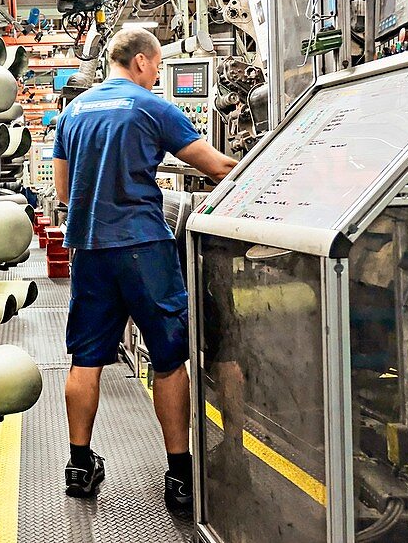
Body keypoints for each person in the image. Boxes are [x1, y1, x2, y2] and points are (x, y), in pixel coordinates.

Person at [51, 27, 237, 513]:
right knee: (169, 357)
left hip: (89, 249)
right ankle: (179, 475)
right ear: (139, 62)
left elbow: (64, 196)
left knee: (85, 357)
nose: (156, 75)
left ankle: (78, 465)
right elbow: (216, 168)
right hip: (143, 247)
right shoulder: (150, 107)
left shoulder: (73, 113)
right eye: (156, 67)